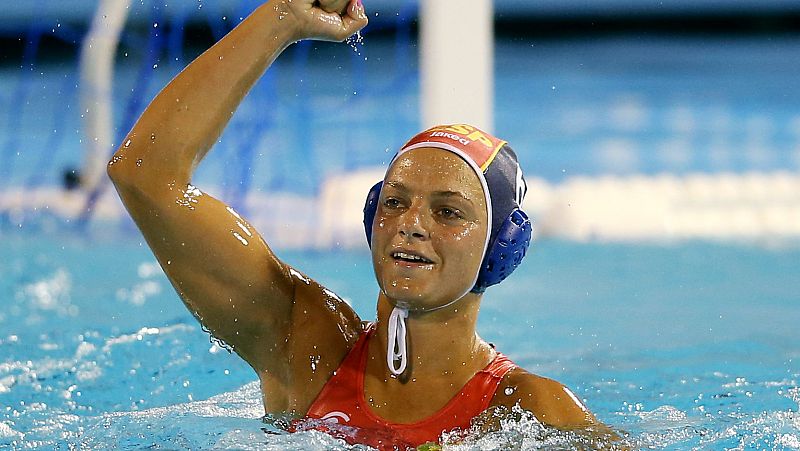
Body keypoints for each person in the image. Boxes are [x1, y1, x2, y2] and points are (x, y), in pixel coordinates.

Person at [107, 0, 611, 449]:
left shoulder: (529, 412)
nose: (411, 224)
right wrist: (280, 17)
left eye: (448, 212)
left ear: (500, 248)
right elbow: (144, 176)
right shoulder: (307, 345)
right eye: (395, 202)